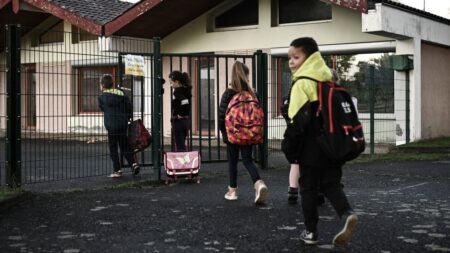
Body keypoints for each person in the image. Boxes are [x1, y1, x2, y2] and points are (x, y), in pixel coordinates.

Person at [282, 37, 358, 246]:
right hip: (332, 145)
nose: (291, 62)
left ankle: (310, 232)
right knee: (331, 183)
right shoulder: (328, 81)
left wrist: (291, 149)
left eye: (296, 57)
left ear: (310, 58)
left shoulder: (302, 83)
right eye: (289, 58)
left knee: (307, 187)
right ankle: (346, 213)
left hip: (311, 148)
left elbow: (295, 122)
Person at [218, 61, 268, 205]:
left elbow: (222, 116)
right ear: (246, 75)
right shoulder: (254, 93)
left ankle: (232, 191)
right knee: (248, 161)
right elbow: (260, 114)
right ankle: (258, 184)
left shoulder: (228, 93)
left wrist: (224, 135)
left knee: (232, 162)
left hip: (233, 134)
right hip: (250, 133)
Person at [98, 74, 140, 178]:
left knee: (113, 148)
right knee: (124, 145)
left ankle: (117, 170)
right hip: (122, 124)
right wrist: (128, 117)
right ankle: (133, 164)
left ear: (102, 85)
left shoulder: (102, 97)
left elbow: (102, 109)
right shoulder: (121, 94)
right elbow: (129, 107)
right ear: (112, 84)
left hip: (111, 126)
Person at [169, 71, 192, 151]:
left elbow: (185, 101)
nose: (171, 85)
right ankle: (183, 161)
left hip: (179, 121)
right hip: (186, 121)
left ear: (177, 82)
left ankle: (182, 163)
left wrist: (180, 114)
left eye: (171, 83)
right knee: (182, 143)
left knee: (180, 146)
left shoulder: (177, 91)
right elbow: (186, 102)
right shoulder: (186, 90)